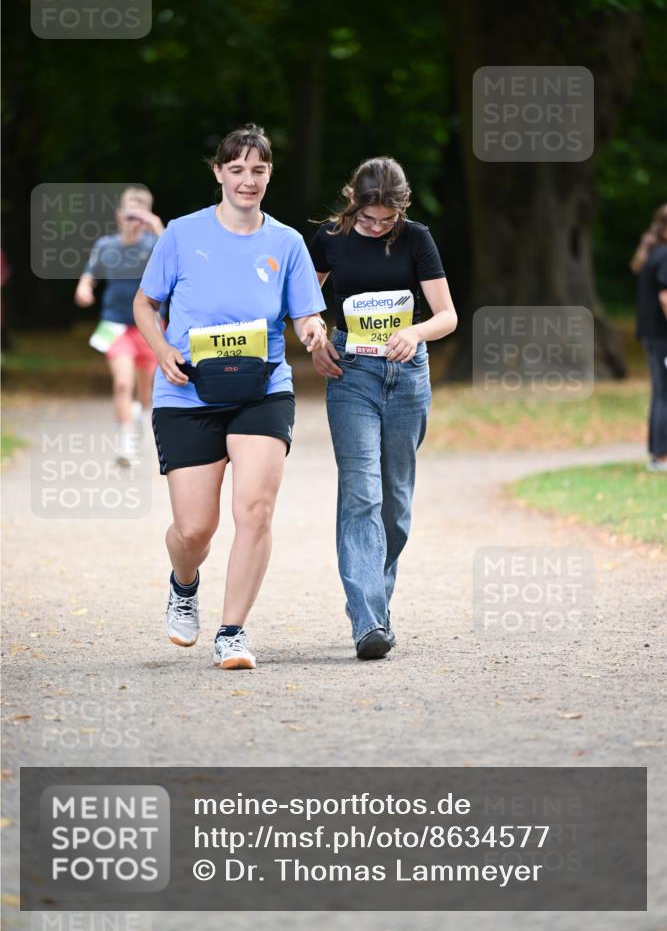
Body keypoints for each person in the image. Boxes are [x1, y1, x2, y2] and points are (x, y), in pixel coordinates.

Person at [133, 123, 327, 670]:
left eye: (258, 170)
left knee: (256, 511)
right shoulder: (182, 234)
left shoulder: (286, 242)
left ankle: (232, 633)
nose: (248, 180)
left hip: (261, 388)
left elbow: (305, 311)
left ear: (269, 175)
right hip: (187, 390)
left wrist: (311, 330)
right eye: (236, 169)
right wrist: (161, 352)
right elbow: (146, 306)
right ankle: (184, 582)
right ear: (218, 172)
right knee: (195, 529)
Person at [309, 157, 457, 660]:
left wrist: (414, 332)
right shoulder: (331, 238)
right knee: (361, 495)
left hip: (406, 376)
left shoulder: (416, 238)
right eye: (369, 219)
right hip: (351, 375)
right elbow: (302, 303)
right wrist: (312, 341)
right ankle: (368, 621)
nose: (376, 228)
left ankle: (377, 604)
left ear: (401, 209)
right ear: (353, 200)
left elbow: (447, 316)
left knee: (395, 503)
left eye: (386, 220)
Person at [74, 185, 164, 464]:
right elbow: (89, 274)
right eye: (129, 211)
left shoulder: (155, 245)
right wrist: (84, 288)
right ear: (118, 214)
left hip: (148, 325)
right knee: (124, 383)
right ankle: (125, 443)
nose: (134, 218)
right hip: (114, 325)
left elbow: (176, 261)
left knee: (146, 390)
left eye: (141, 212)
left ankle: (143, 417)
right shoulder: (106, 245)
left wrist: (157, 227)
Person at [630, 203, 667, 472]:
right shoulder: (665, 255)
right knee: (664, 393)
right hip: (662, 335)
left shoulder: (651, 253)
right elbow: (666, 298)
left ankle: (658, 455)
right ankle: (662, 456)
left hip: (651, 335)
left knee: (660, 392)